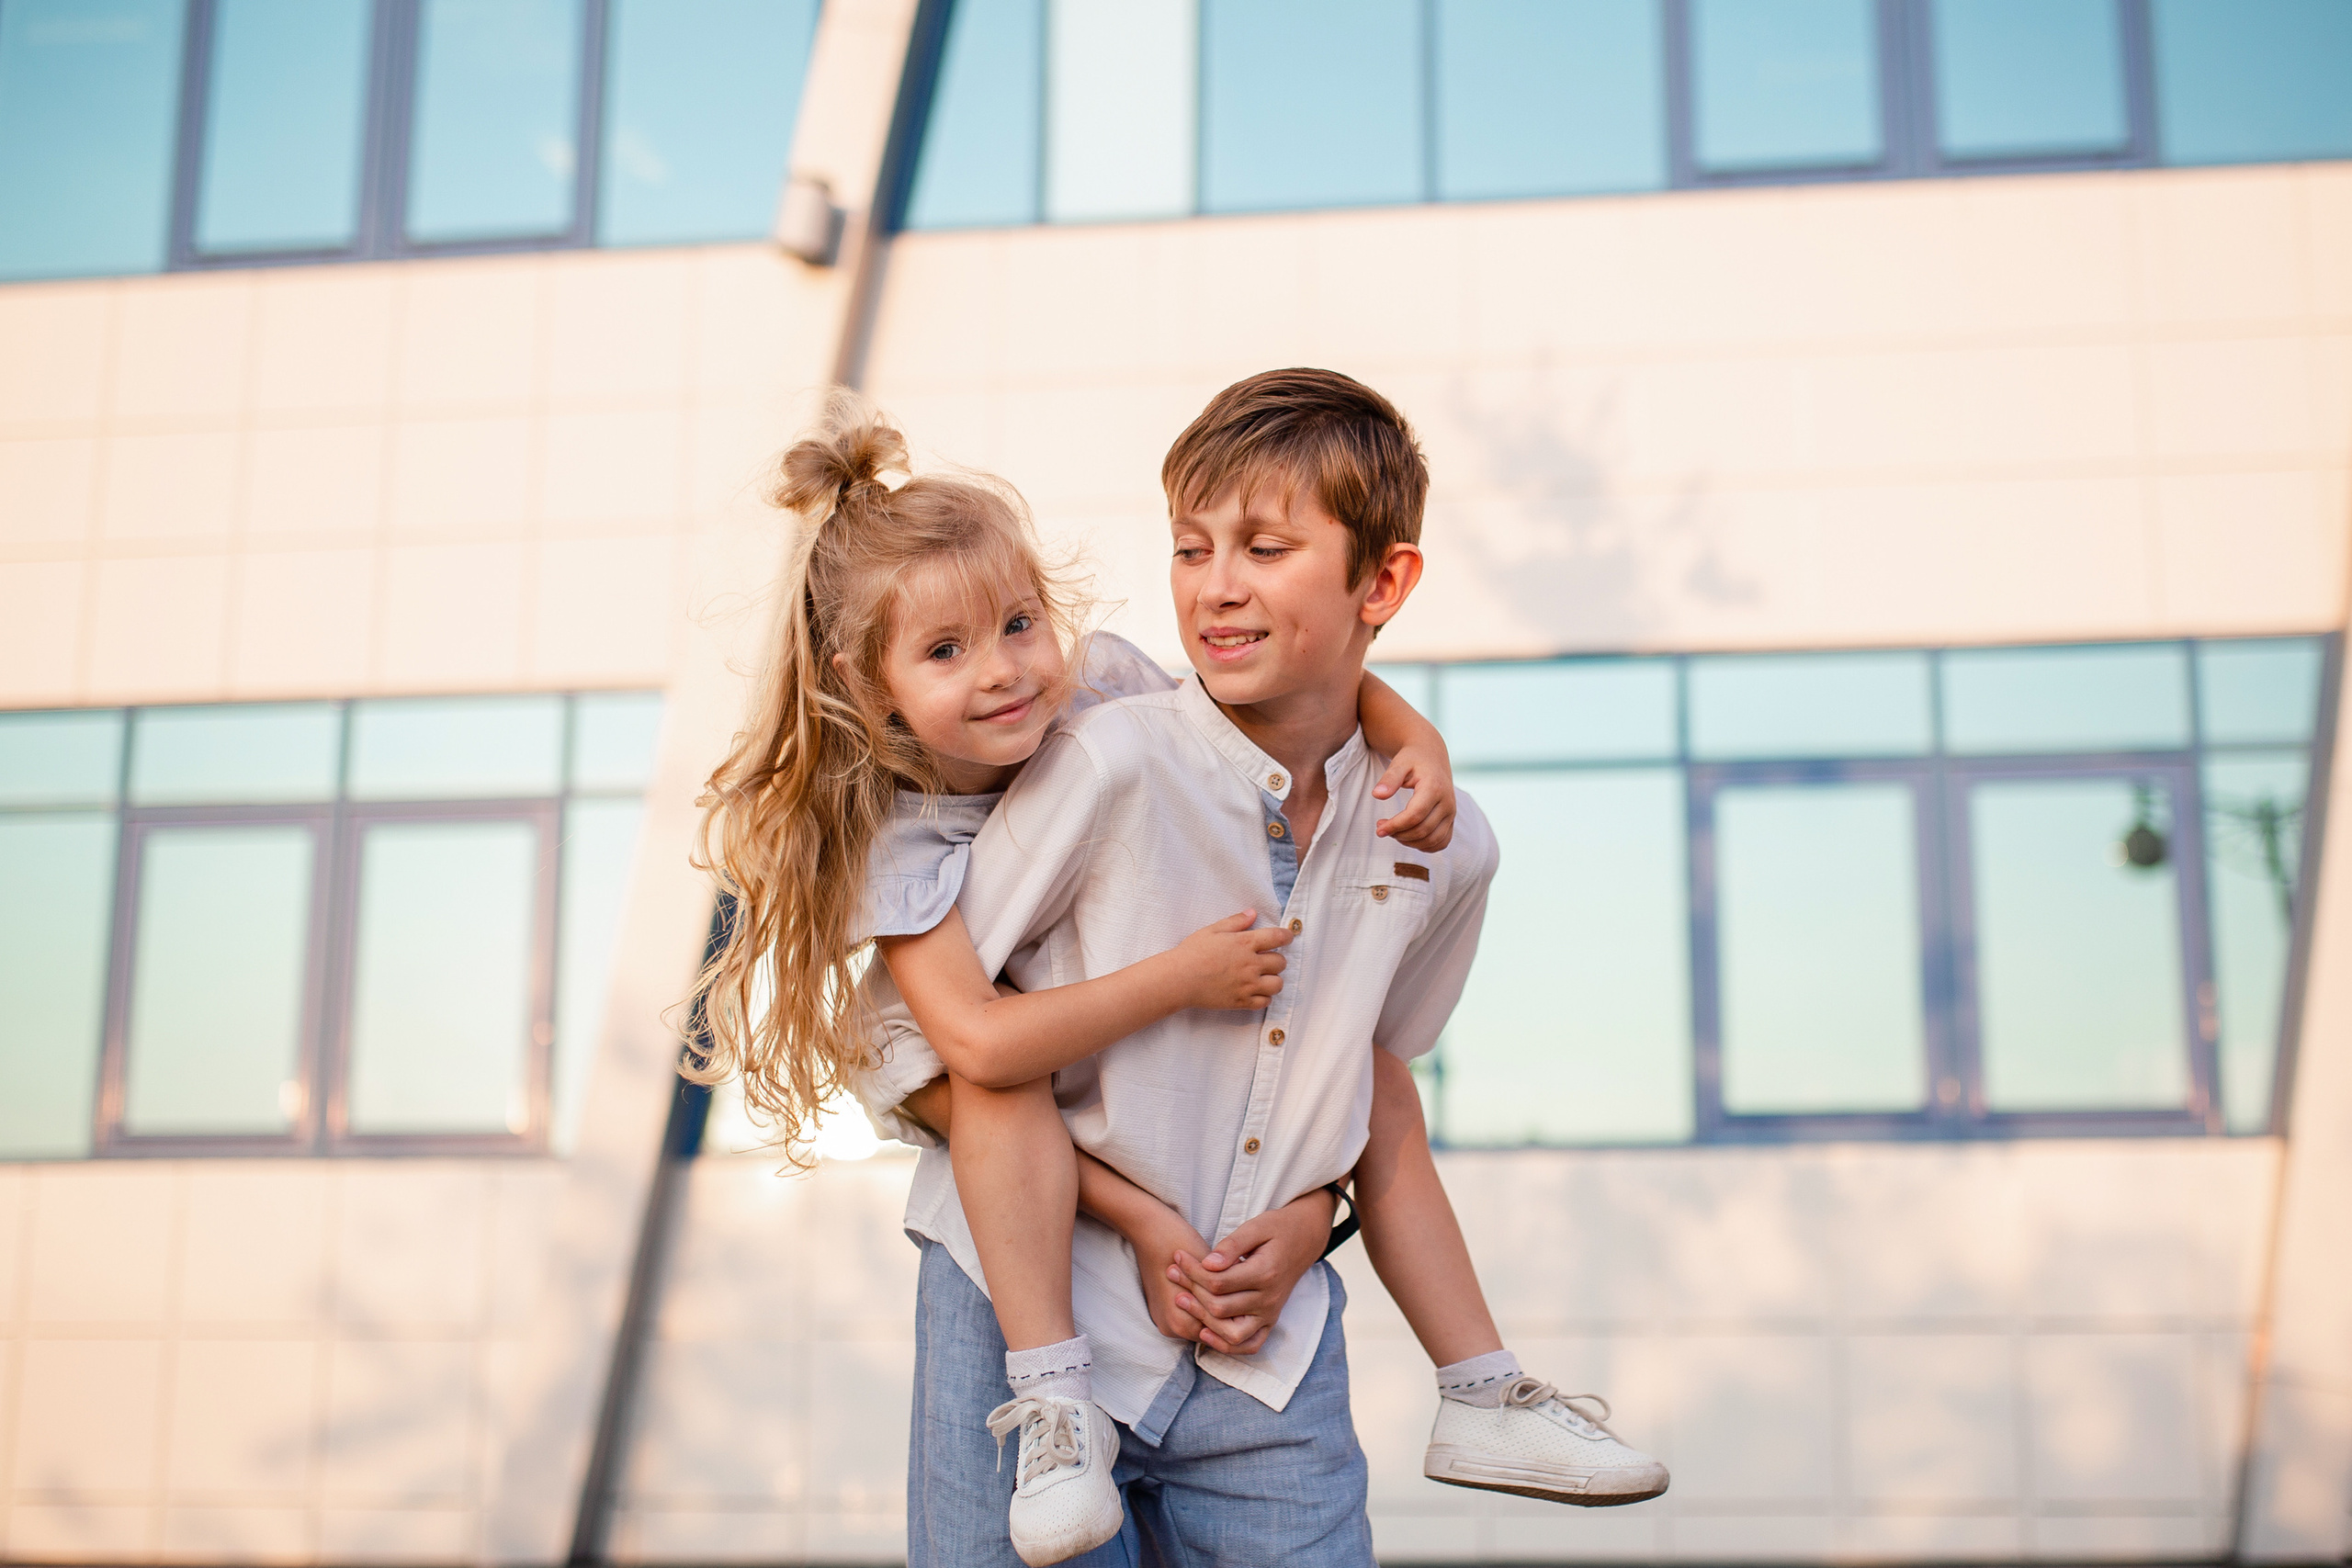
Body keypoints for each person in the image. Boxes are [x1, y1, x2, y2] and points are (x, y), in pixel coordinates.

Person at [693, 378, 1666, 1568]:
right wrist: (1151, 1194)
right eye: (1192, 549)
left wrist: (1308, 1217)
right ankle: (1054, 1394)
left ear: (1383, 584)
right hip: (1027, 1316)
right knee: (998, 1075)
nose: (1217, 585)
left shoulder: (1403, 827)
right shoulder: (1091, 761)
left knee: (1381, 1082)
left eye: (1265, 548)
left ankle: (1481, 1388)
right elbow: (927, 1046)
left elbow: (1357, 1083)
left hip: (1261, 1351)